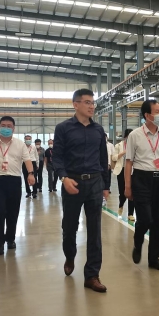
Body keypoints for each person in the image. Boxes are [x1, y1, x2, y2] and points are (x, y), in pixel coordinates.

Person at [53, 89, 110, 293]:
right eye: (87, 102)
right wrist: (64, 177)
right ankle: (70, 255)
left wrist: (106, 186)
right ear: (75, 104)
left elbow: (103, 159)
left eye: (93, 103)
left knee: (95, 230)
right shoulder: (63, 128)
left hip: (94, 182)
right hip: (72, 182)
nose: (91, 106)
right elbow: (57, 157)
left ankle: (92, 275)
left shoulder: (98, 130)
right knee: (69, 227)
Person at [125, 100, 159, 272]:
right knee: (145, 219)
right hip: (141, 179)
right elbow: (128, 162)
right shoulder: (135, 135)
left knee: (158, 221)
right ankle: (138, 240)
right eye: (157, 111)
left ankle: (154, 258)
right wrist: (127, 186)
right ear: (147, 115)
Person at [0, 116, 35, 255]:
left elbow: (27, 160)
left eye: (9, 126)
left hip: (14, 181)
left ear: (13, 128)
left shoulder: (20, 144)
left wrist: (30, 173)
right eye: (3, 125)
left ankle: (10, 239)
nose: (6, 128)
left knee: (12, 212)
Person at [112, 128, 135, 220]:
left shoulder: (135, 145)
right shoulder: (118, 145)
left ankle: (130, 213)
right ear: (125, 136)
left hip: (132, 170)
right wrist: (123, 153)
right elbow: (114, 158)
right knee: (122, 192)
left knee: (132, 192)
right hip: (121, 170)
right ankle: (121, 205)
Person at [23, 134, 39, 199]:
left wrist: (37, 164)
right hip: (25, 163)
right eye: (27, 139)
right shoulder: (22, 147)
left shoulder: (33, 147)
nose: (28, 140)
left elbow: (36, 155)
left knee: (34, 177)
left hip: (33, 162)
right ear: (24, 140)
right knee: (26, 177)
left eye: (29, 139)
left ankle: (34, 192)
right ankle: (28, 192)